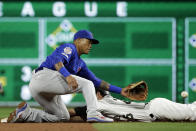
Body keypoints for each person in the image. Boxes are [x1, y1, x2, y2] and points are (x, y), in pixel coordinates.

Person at [7, 30, 129, 123]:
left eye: (92, 42)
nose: (91, 45)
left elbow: (97, 82)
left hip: (41, 88)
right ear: (78, 40)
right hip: (43, 76)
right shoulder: (70, 47)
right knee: (87, 84)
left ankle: (26, 114)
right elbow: (57, 60)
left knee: (62, 117)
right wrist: (68, 76)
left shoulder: (81, 64)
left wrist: (121, 91)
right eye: (89, 41)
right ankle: (93, 113)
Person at [69, 88, 196, 122]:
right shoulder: (106, 100)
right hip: (155, 111)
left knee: (191, 112)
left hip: (156, 109)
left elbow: (72, 112)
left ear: (97, 94)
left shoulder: (98, 104)